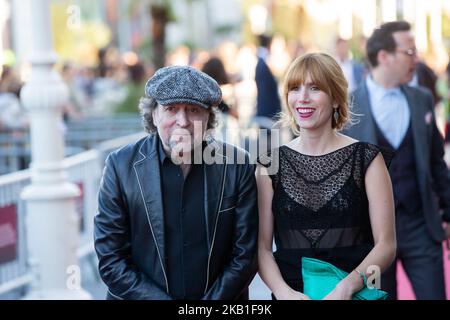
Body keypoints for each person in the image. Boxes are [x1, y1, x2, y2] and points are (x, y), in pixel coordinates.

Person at [94, 65, 258, 300]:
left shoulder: (238, 165)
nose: (183, 121)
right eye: (171, 109)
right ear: (154, 114)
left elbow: (245, 255)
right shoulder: (120, 166)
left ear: (208, 118)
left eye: (193, 110)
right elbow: (111, 259)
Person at [256, 52, 396, 300]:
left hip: (353, 293)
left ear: (335, 98)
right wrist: (284, 293)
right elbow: (262, 249)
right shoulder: (269, 165)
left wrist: (346, 288)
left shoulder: (367, 159)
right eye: (295, 88)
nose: (303, 98)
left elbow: (386, 245)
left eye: (315, 88)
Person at [344, 21, 450, 300]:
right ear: (384, 56)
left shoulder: (422, 100)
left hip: (421, 228)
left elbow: (437, 163)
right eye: (410, 51)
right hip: (371, 238)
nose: (416, 58)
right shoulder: (348, 108)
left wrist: (448, 213)